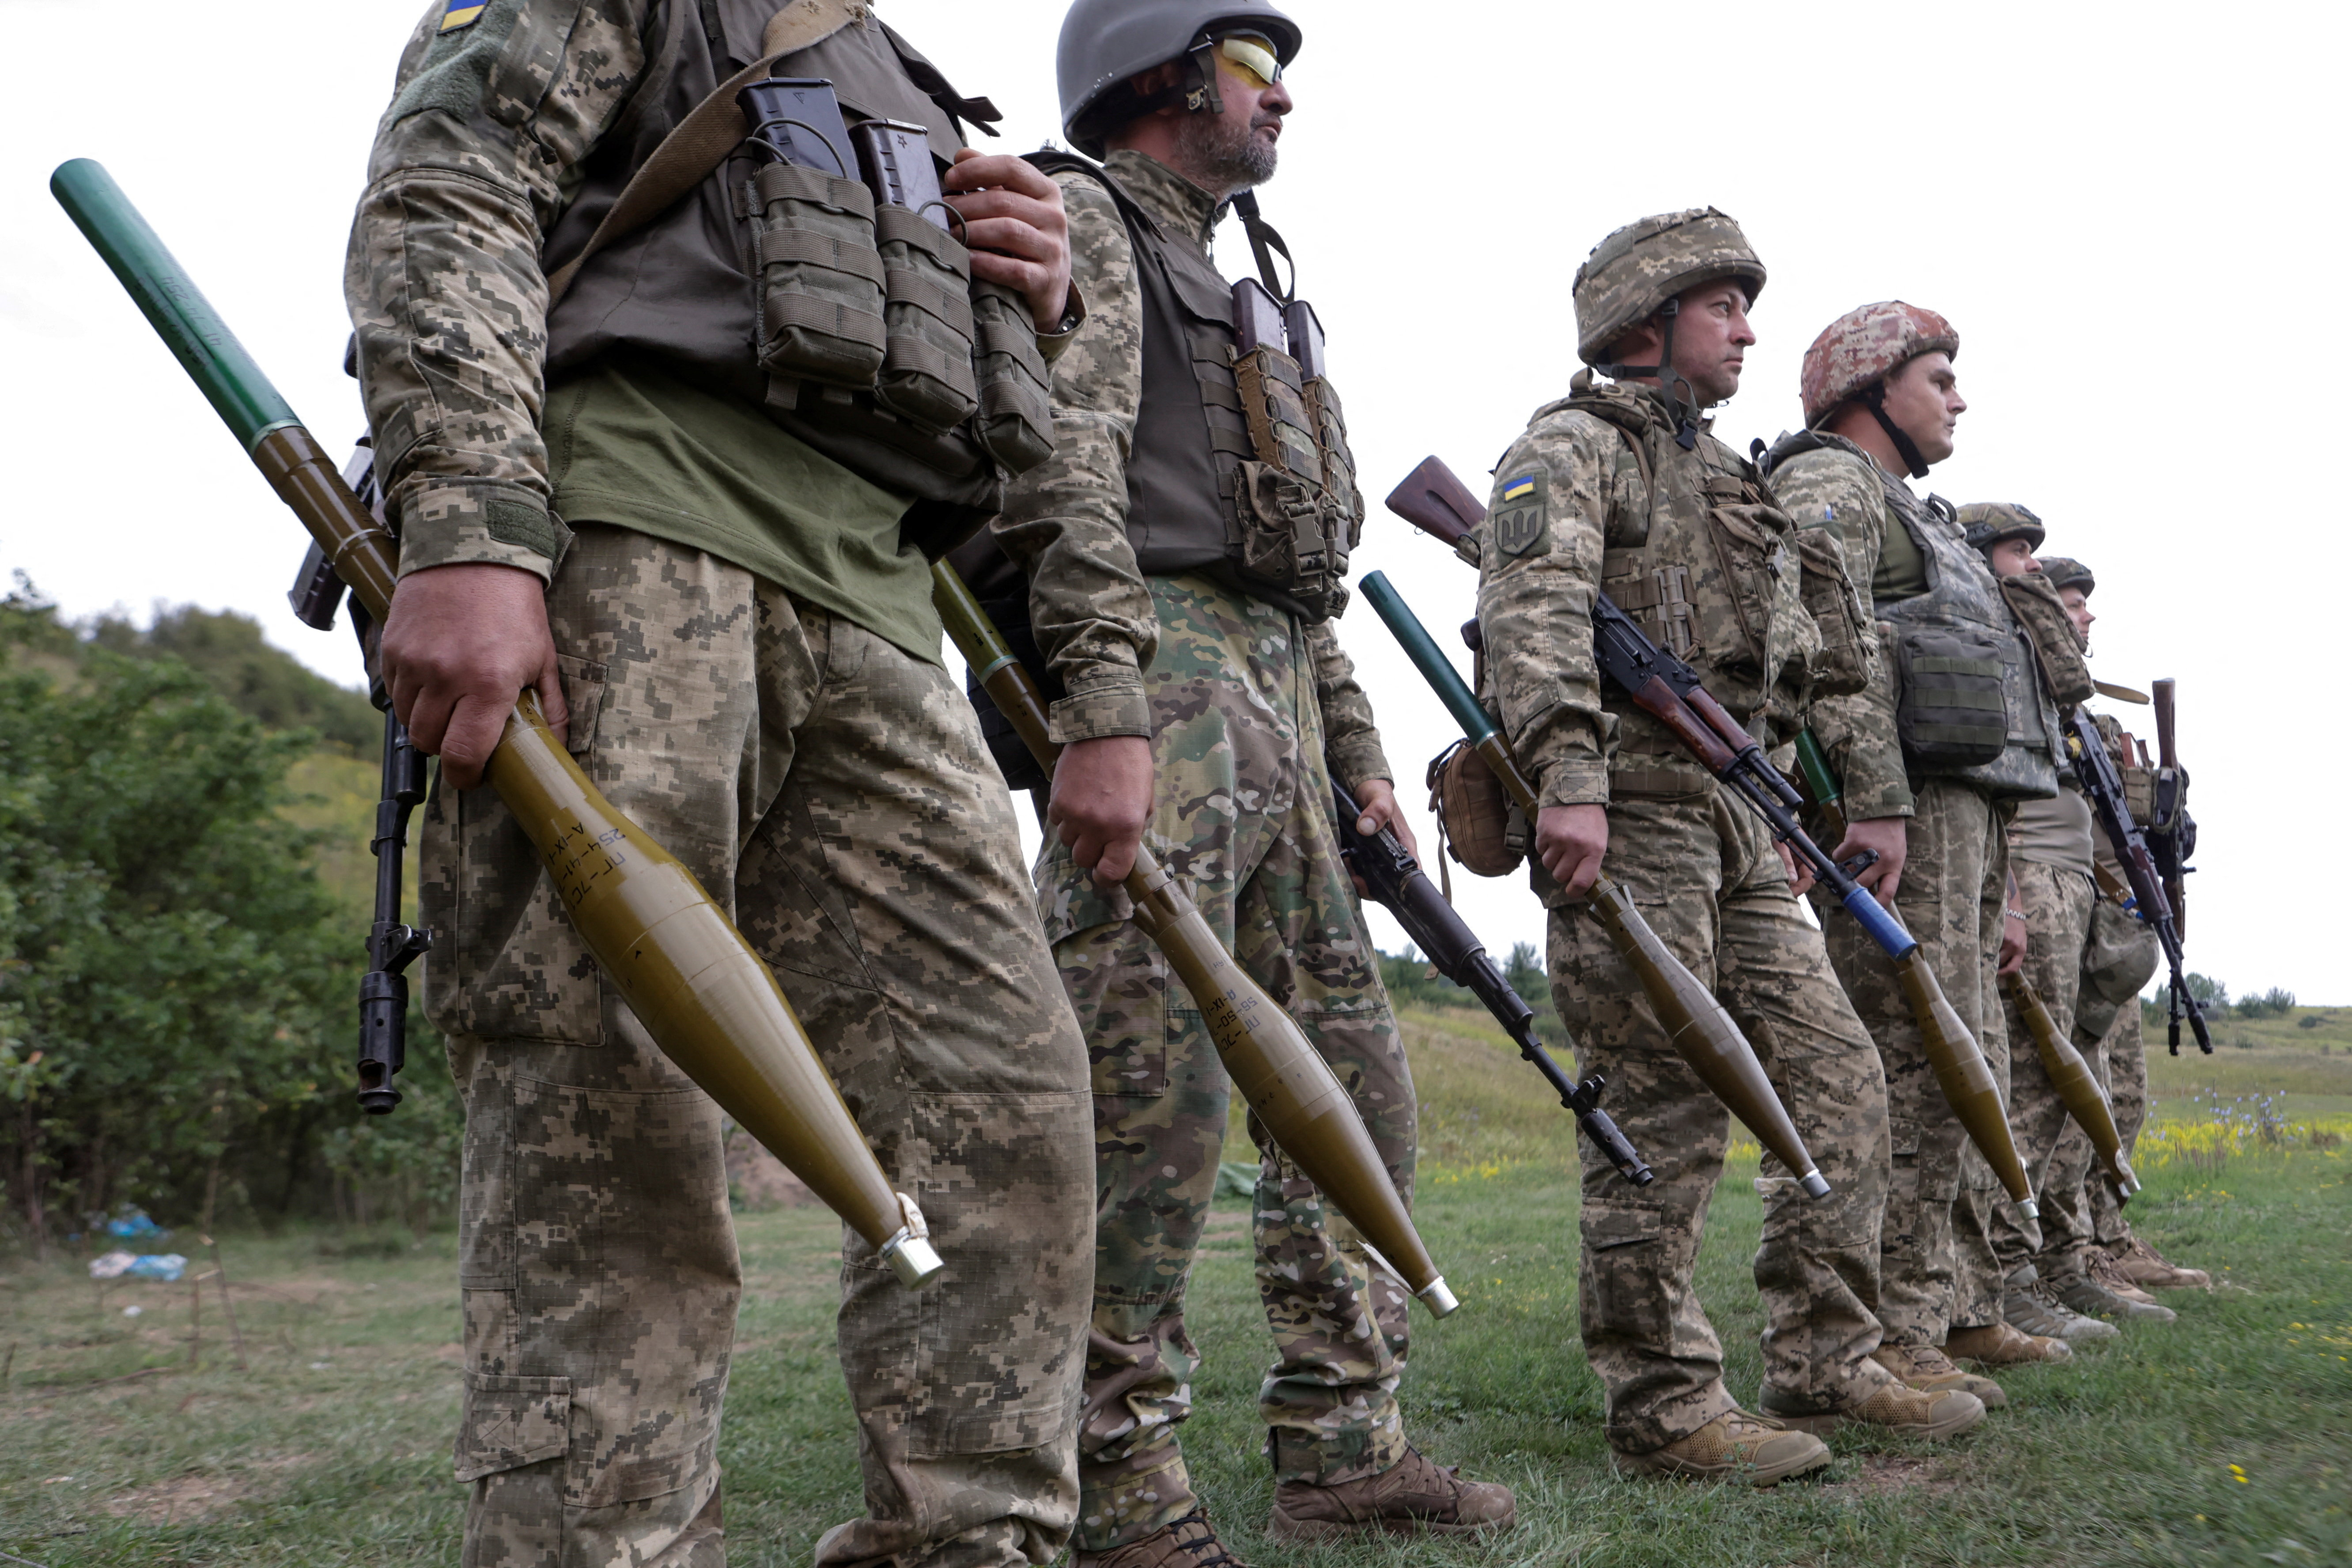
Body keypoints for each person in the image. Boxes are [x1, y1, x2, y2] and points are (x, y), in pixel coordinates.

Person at [348, 4, 1099, 1563]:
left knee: (1004, 1106)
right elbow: (452, 173)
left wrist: (1042, 291)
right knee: (607, 1114)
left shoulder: (907, 78)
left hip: (886, 606)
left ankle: (975, 1542)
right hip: (638, 531)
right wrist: (474, 524)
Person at [957, 2, 1513, 1560]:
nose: (1283, 105)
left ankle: (1343, 1440)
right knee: (1149, 1103)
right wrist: (1101, 709)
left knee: (1355, 1091)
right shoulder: (1088, 223)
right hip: (1158, 671)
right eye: (1257, 71)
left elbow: (1309, 577)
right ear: (1162, 76)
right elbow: (1052, 470)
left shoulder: (1254, 288)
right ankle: (1111, 1471)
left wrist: (1356, 755)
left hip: (1271, 678)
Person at [1477, 209, 1985, 1488]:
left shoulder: (1730, 483)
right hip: (1631, 814)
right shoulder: (1567, 452)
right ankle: (1662, 1403)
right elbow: (1529, 616)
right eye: (1722, 309)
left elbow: (1810, 658)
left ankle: (1824, 1353)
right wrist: (1570, 779)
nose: (1748, 332)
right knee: (1658, 1105)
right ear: (1645, 324)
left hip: (1739, 819)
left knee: (1836, 1079)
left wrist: (1833, 800)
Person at [1762, 305, 2091, 1379]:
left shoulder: (1921, 512)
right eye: (1937, 378)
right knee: (1908, 1065)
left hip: (1965, 819)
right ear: (1868, 387)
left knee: (1970, 1064)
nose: (1956, 398)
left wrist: (1996, 893)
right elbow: (1812, 640)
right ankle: (1886, 1330)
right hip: (1896, 813)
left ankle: (1951, 1303)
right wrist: (1869, 795)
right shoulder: (1829, 485)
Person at [1966, 518, 2171, 1328]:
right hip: (2034, 883)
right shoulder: (2007, 673)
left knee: (2073, 1088)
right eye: (2066, 601)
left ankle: (2060, 1257)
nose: (2082, 618)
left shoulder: (2067, 700)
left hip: (2078, 889)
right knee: (2034, 1086)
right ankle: (2011, 1275)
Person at [2033, 558, 2210, 1296]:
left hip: (2113, 921)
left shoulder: (2099, 721)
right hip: (2059, 911)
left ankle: (2104, 1235)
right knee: (2066, 1094)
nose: (2088, 617)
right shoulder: (2031, 702)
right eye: (2073, 605)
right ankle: (2060, 1252)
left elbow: (2137, 825)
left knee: (2122, 1092)